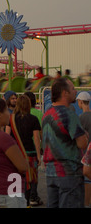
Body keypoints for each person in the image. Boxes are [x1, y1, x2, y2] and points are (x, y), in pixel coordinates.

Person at [42, 77, 88, 208]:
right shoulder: (68, 114)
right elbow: (82, 144)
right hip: (69, 174)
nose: (76, 91)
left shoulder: (47, 114)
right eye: (73, 88)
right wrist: (85, 135)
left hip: (51, 173)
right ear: (64, 93)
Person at [5, 94, 43, 207]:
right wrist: (38, 154)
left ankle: (14, 203)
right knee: (29, 180)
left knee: (15, 179)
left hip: (14, 153)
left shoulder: (11, 118)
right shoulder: (33, 119)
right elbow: (36, 138)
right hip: (29, 153)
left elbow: (7, 136)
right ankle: (26, 203)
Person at [77, 91, 91, 208]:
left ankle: (86, 204)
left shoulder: (80, 118)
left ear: (80, 102)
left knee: (86, 180)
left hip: (85, 153)